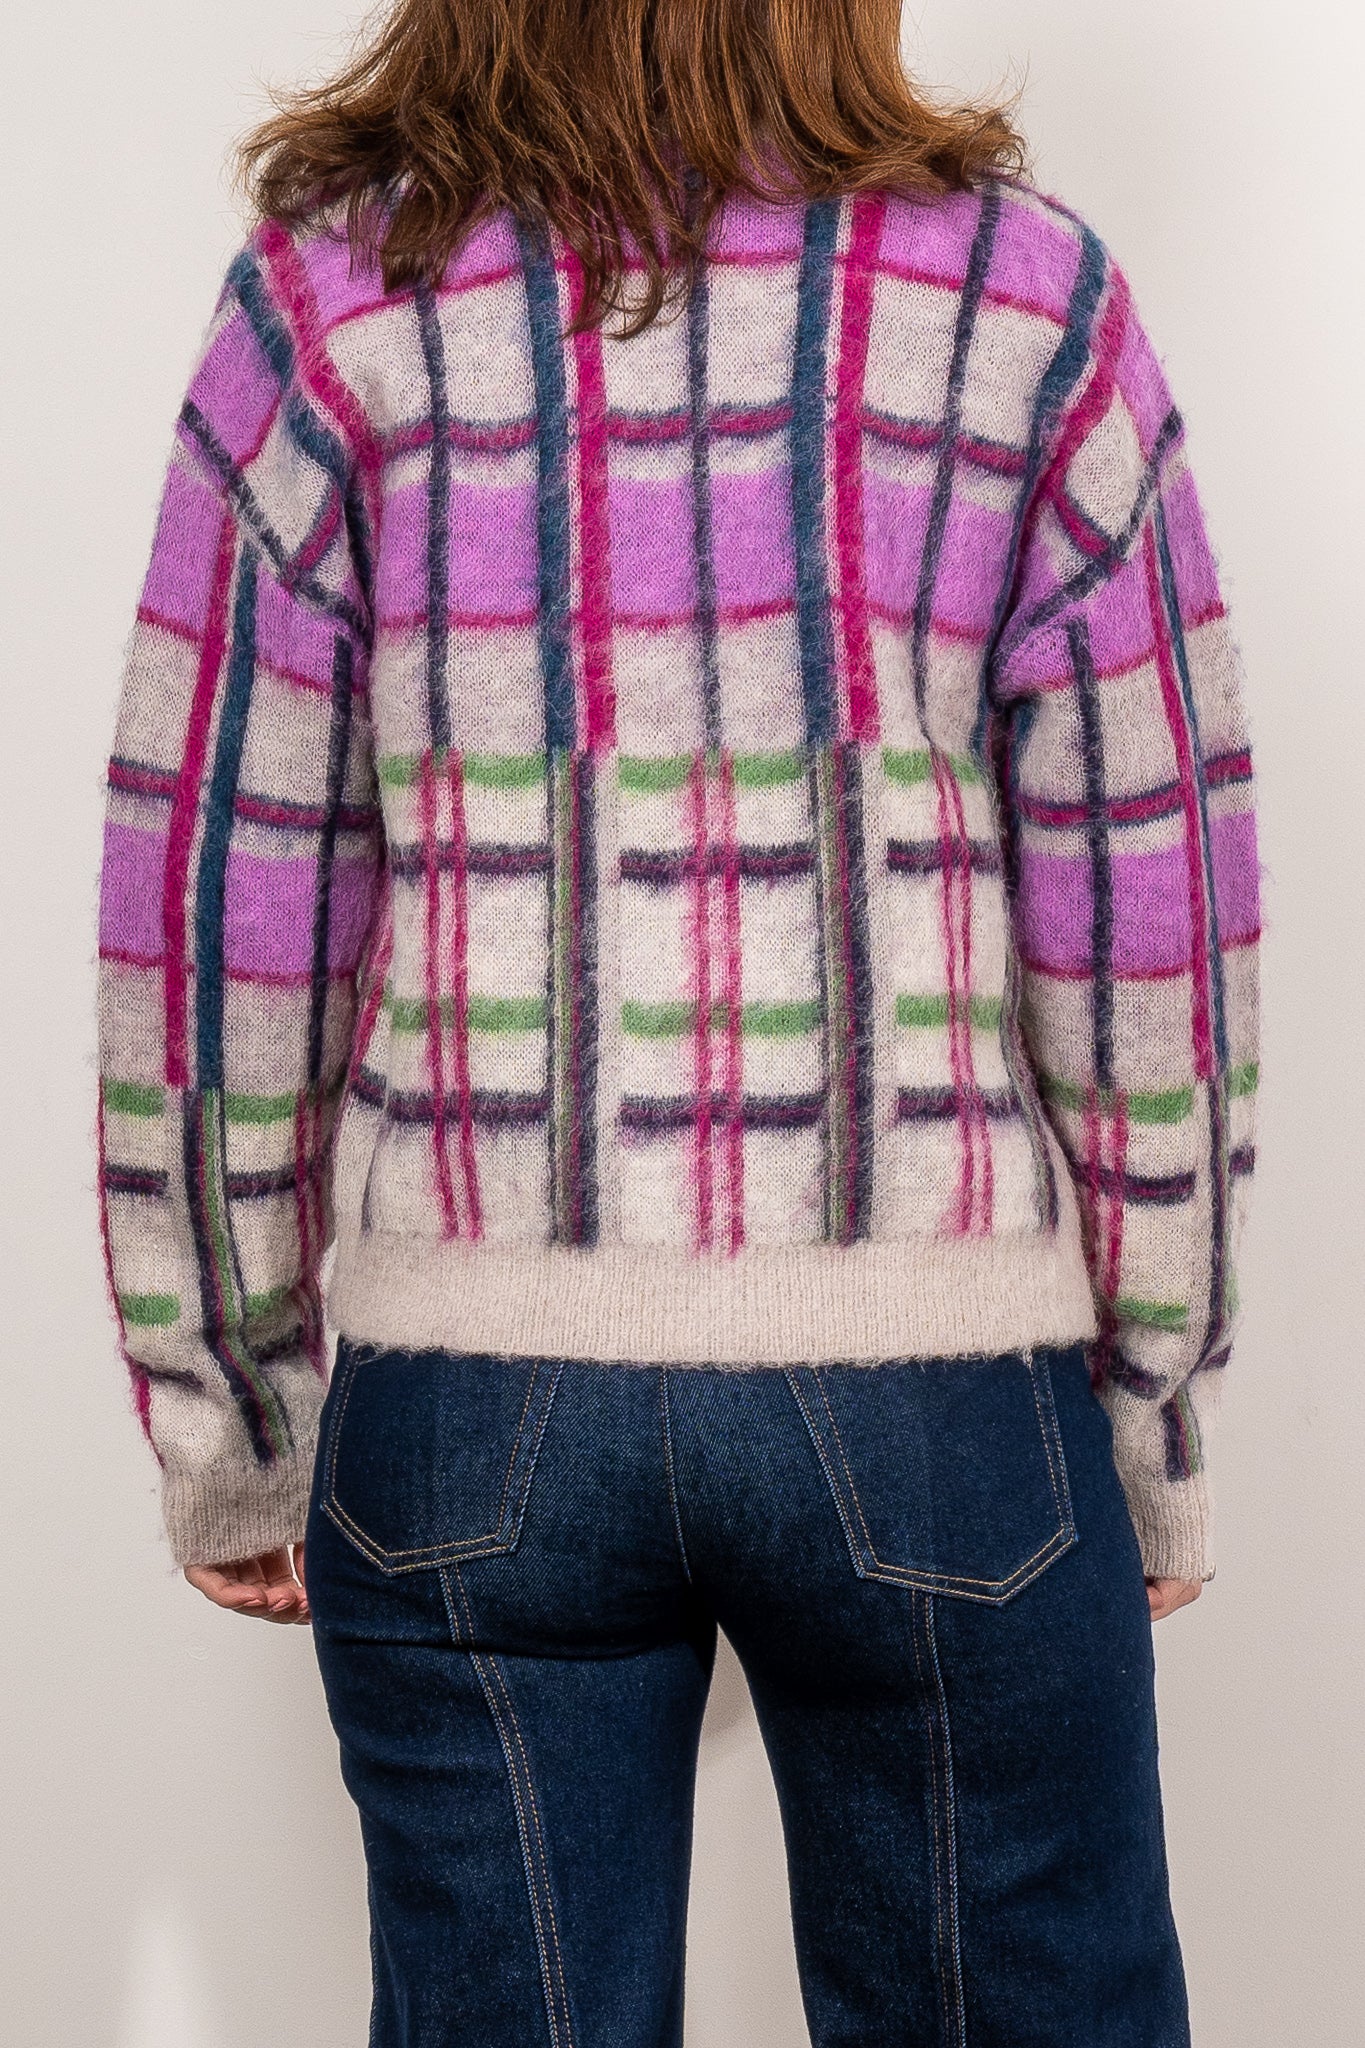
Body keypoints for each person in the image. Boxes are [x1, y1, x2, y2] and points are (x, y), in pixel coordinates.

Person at [95, 1, 1261, 2040]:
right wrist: (1150, 1413)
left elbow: (215, 901)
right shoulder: (1019, 298)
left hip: (471, 1398)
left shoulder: (332, 301)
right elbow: (1146, 903)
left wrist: (236, 1415)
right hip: (935, 1388)